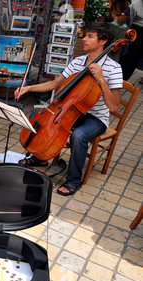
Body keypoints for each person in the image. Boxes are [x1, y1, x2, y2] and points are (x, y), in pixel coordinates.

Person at [14, 22, 122, 196]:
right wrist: (28, 88)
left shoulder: (114, 68)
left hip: (96, 117)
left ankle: (73, 180)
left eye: (90, 36)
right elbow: (56, 84)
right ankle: (40, 158)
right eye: (85, 35)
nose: (84, 39)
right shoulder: (78, 61)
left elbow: (114, 106)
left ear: (103, 41)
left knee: (79, 135)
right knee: (36, 115)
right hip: (71, 110)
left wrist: (102, 80)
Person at [119, 0, 143, 80]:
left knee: (136, 60)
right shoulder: (135, 5)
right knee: (129, 60)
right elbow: (128, 24)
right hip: (135, 34)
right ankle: (121, 79)